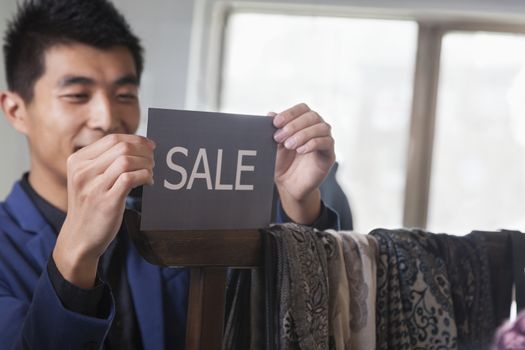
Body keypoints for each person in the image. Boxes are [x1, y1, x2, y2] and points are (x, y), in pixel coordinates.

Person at [0, 0, 338, 348]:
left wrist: (298, 204)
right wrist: (77, 255)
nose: (106, 118)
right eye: (77, 95)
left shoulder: (177, 207)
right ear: (16, 110)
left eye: (125, 94)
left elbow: (270, 313)